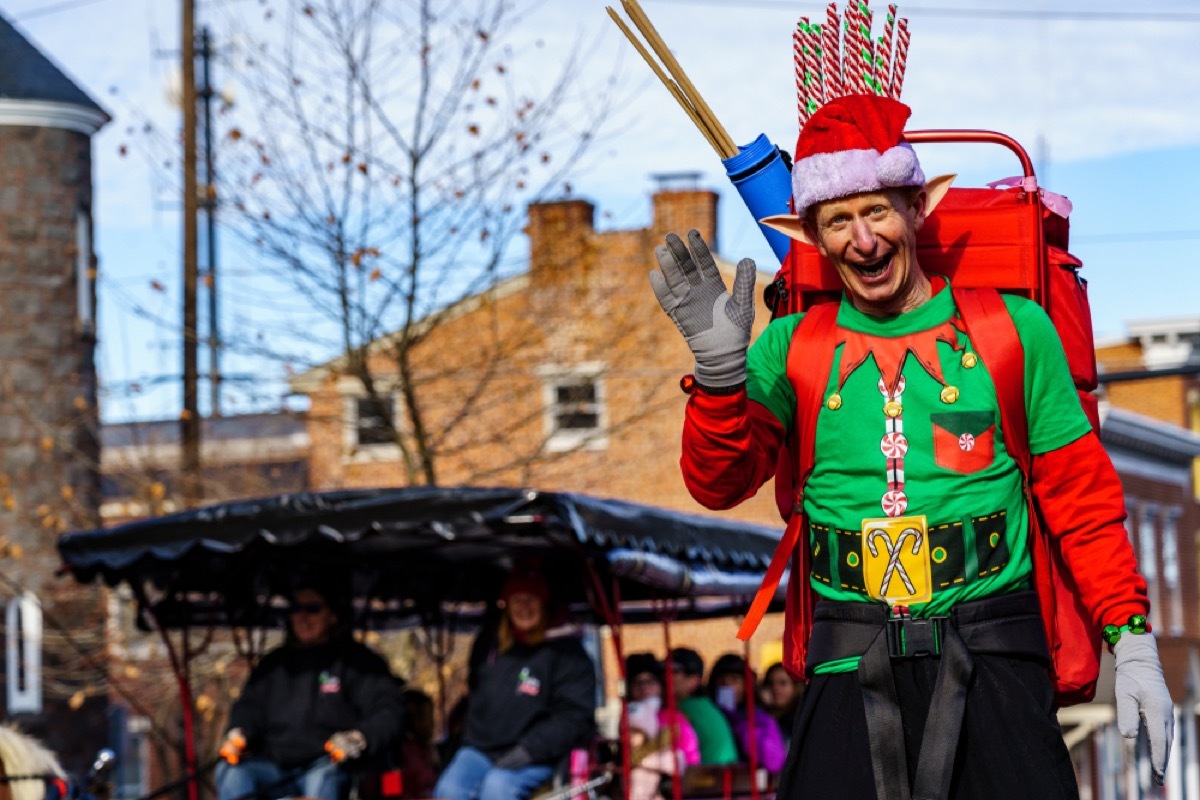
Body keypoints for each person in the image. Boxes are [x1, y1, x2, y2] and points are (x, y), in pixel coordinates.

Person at [649, 86, 1174, 798]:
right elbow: (718, 483)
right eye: (838, 221)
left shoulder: (1013, 332)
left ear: (916, 208)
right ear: (809, 235)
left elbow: (1080, 498)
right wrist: (718, 380)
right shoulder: (788, 348)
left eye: (875, 212)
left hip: (995, 654)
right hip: (846, 659)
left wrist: (1133, 637)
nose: (862, 241)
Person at [217, 577, 404, 800]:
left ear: (333, 616)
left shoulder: (359, 663)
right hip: (272, 767)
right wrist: (239, 731)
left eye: (313, 609)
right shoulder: (273, 665)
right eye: (296, 608)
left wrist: (359, 738)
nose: (302, 617)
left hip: (327, 764)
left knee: (325, 779)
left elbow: (389, 711)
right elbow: (249, 707)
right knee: (232, 773)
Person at [434, 565, 597, 800]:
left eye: (531, 600)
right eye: (517, 600)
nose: (524, 608)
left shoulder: (567, 652)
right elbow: (474, 692)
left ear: (543, 603)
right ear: (506, 604)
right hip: (480, 749)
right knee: (448, 790)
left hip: (534, 752)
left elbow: (575, 716)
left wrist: (530, 750)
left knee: (496, 790)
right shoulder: (488, 643)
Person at [624, 652, 701, 800]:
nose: (644, 688)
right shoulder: (629, 716)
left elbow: (688, 760)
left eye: (650, 682)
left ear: (660, 685)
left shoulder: (673, 719)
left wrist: (640, 759)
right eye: (638, 682)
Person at [706, 655, 786, 773]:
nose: (727, 685)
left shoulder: (761, 720)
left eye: (734, 680)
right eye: (721, 680)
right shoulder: (708, 715)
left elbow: (773, 761)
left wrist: (739, 725)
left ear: (746, 685)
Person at [665, 649, 737, 766]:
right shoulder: (704, 705)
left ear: (694, 680)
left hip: (707, 778)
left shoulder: (686, 708)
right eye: (664, 670)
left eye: (674, 671)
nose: (665, 676)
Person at [397, 689, 438, 799]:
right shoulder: (397, 753)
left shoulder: (427, 750)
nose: (433, 724)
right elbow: (392, 792)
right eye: (428, 717)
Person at [758, 663, 802, 747]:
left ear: (796, 687)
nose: (775, 688)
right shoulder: (761, 716)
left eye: (783, 683)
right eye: (771, 683)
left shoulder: (798, 720)